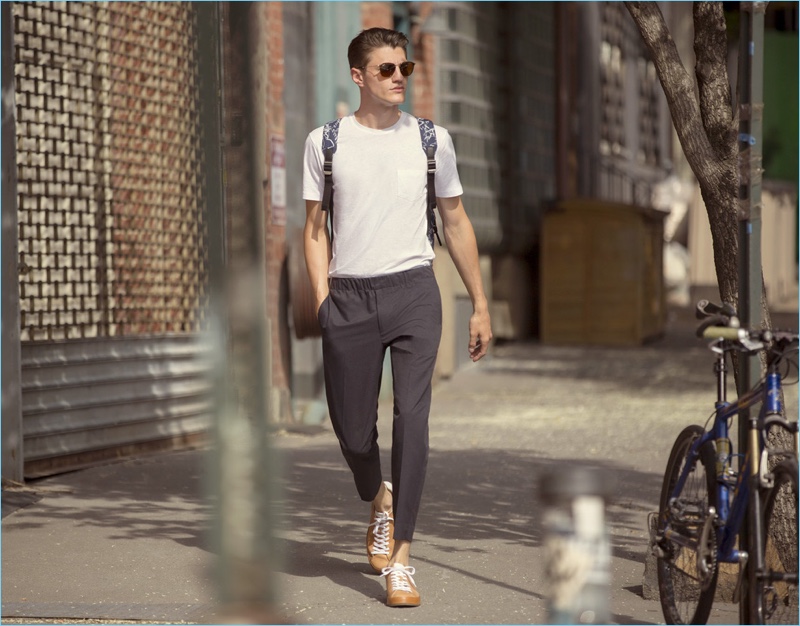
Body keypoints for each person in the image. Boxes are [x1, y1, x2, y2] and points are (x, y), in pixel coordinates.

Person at [302, 27, 492, 608]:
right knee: (352, 430)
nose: (398, 79)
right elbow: (313, 231)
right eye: (386, 70)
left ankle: (402, 558)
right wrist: (323, 303)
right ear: (358, 76)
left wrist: (479, 302)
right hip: (350, 297)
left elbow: (455, 222)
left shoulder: (432, 140)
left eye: (404, 69)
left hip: (414, 291)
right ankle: (378, 500)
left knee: (413, 419)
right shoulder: (326, 143)